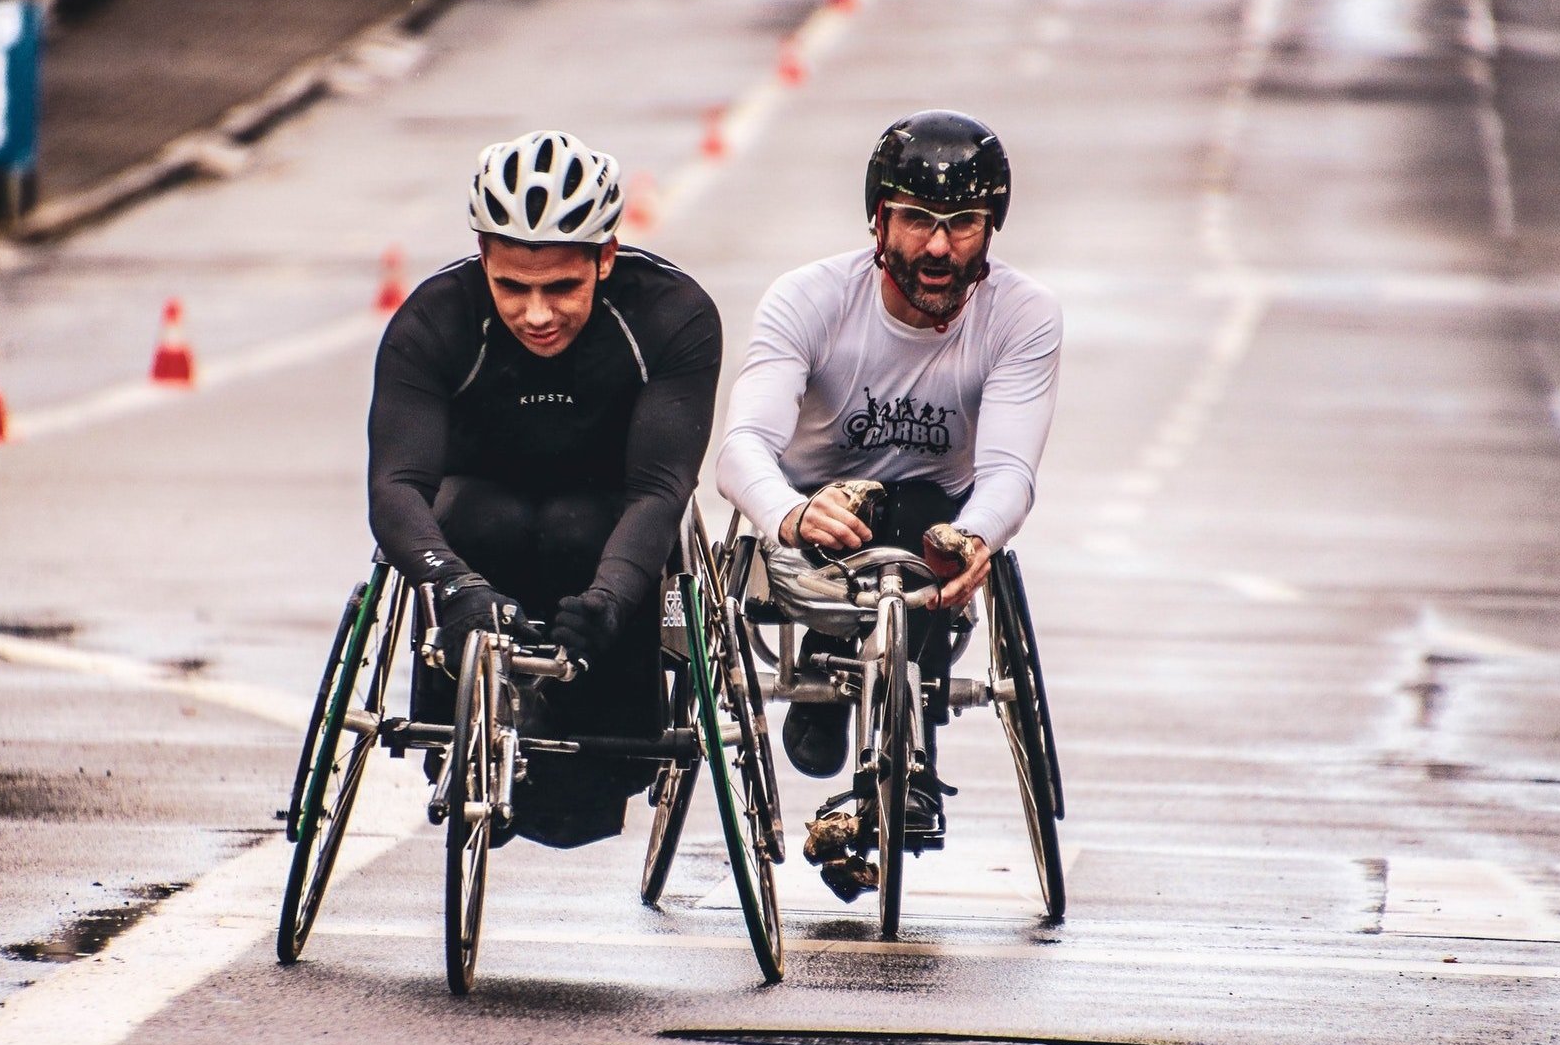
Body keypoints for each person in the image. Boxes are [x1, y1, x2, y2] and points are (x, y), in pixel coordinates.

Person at [715, 109, 1061, 895]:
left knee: (920, 511)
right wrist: (792, 516)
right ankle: (834, 680)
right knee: (881, 505)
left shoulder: (1025, 315)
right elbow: (739, 450)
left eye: (963, 225)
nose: (938, 248)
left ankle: (907, 764)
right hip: (811, 518)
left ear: (990, 229)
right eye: (915, 221)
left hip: (931, 524)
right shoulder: (809, 298)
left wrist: (976, 537)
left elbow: (1009, 469)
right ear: (878, 219)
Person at [367, 130, 723, 849]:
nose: (536, 314)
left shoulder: (670, 316)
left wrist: (610, 601)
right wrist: (455, 585)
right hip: (479, 517)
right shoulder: (434, 318)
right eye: (511, 287)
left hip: (605, 519)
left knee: (580, 528)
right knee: (471, 516)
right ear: (481, 258)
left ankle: (590, 742)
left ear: (607, 257)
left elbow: (660, 489)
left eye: (562, 286)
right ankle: (464, 729)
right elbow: (396, 485)